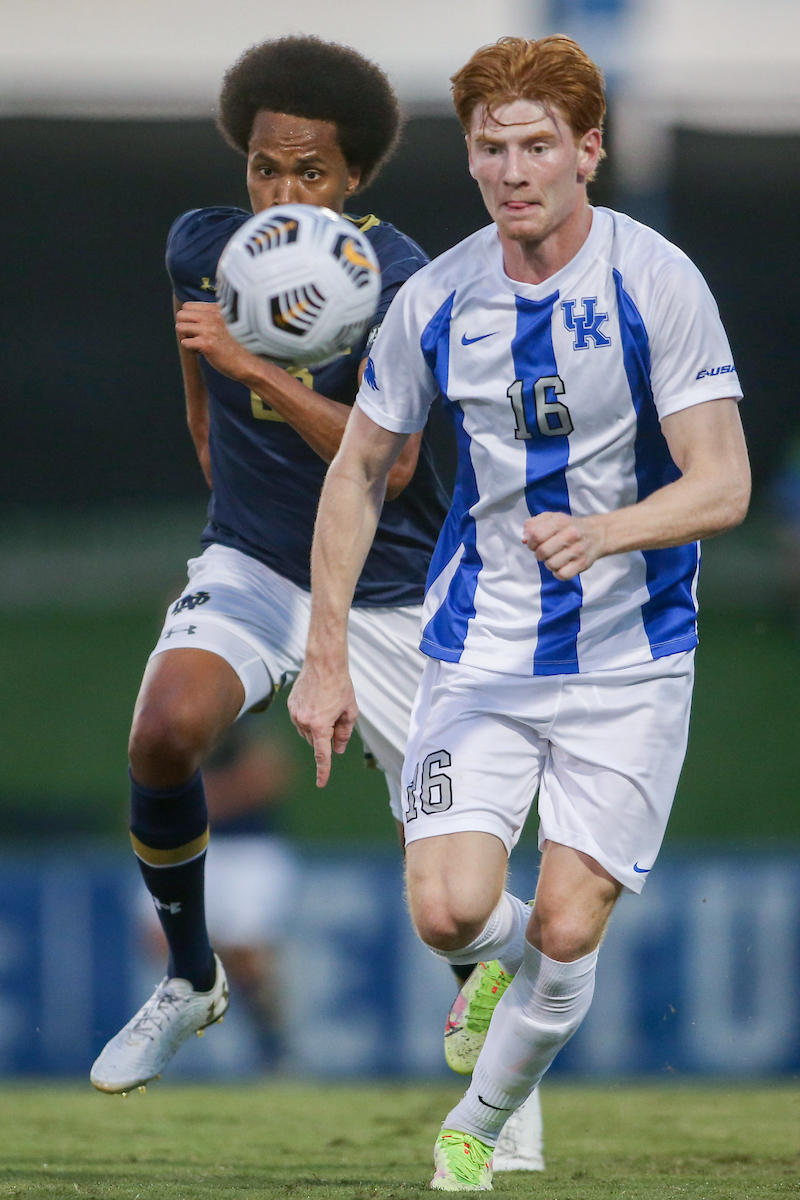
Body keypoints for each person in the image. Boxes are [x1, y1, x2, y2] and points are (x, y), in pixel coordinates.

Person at [289, 33, 751, 1192]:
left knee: (563, 931)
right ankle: (490, 975)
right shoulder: (436, 298)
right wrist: (325, 657)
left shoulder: (655, 282)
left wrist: (605, 530)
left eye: (536, 145)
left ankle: (480, 1125)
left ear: (587, 150)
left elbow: (723, 483)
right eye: (490, 149)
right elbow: (356, 469)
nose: (511, 171)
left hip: (630, 661)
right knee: (449, 916)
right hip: (479, 649)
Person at [89, 33, 543, 1170]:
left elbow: (386, 467)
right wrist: (237, 497)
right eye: (262, 168)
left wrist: (262, 376)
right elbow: (202, 407)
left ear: (352, 181)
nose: (279, 193)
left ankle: (500, 1079)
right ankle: (191, 980)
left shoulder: (405, 281)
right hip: (250, 564)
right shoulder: (202, 247)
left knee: (447, 885)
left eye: (307, 173)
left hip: (391, 590)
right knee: (162, 735)